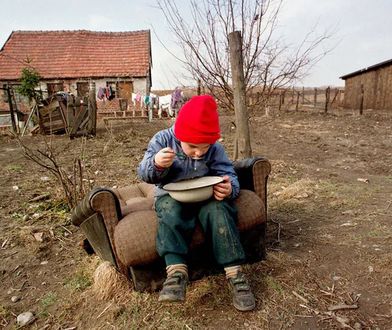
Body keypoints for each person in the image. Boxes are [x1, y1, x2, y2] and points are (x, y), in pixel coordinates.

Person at [137, 95, 255, 311]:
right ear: (179, 135)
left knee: (220, 209)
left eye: (205, 147)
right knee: (170, 211)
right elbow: (144, 173)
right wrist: (156, 164)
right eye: (192, 147)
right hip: (170, 195)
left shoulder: (214, 149)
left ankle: (235, 273)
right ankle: (176, 273)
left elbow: (228, 174)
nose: (199, 152)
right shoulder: (163, 140)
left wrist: (230, 188)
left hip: (205, 196)